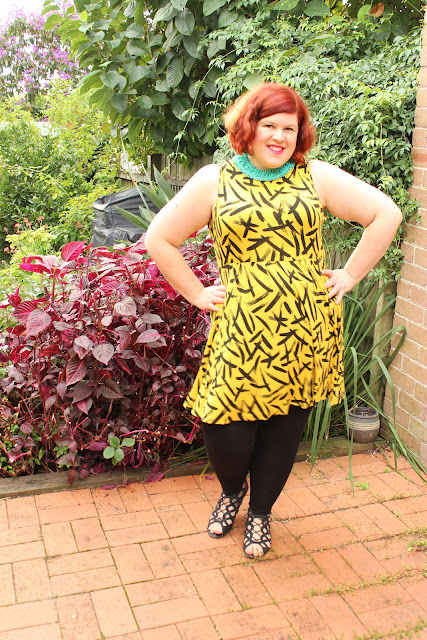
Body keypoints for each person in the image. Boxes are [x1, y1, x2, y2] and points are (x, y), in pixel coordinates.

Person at [144, 83, 402, 558]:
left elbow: (386, 213)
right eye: (270, 125)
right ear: (249, 127)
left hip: (305, 324)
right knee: (224, 426)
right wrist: (197, 293)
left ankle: (260, 513)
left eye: (290, 128)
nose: (280, 136)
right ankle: (232, 490)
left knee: (284, 426)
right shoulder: (214, 180)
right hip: (241, 325)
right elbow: (159, 238)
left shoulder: (315, 177)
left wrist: (349, 274)